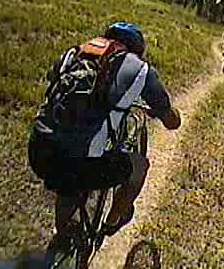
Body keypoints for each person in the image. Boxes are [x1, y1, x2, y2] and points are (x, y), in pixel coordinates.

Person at [28, 22, 181, 239]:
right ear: (137, 49)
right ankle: (112, 222)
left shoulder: (74, 53)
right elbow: (172, 122)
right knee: (139, 166)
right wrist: (165, 112)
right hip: (78, 164)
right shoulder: (140, 69)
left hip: (38, 149)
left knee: (69, 179)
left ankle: (61, 238)